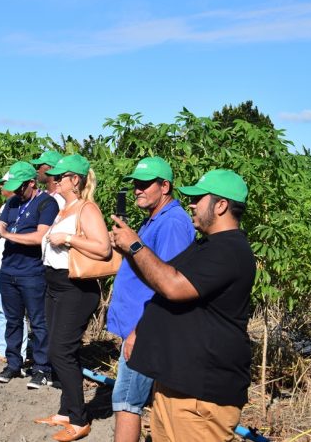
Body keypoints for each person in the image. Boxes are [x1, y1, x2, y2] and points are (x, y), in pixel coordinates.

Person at [111, 169, 255, 442]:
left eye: (199, 198)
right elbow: (161, 280)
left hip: (200, 394)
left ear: (221, 205)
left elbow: (173, 287)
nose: (191, 203)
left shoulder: (230, 250)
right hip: (176, 385)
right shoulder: (206, 246)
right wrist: (129, 253)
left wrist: (136, 246)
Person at [106, 157, 195, 442]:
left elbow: (169, 284)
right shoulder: (154, 219)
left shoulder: (172, 223)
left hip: (144, 327)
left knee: (126, 401)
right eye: (135, 185)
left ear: (165, 186)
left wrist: (138, 332)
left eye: (145, 184)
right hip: (138, 325)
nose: (137, 190)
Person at [34, 154, 112, 442]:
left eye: (60, 176)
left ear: (74, 180)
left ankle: (80, 420)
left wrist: (68, 239)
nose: (55, 179)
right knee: (59, 349)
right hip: (55, 285)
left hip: (75, 288)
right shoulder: (64, 208)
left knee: (61, 352)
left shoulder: (87, 209)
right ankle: (67, 410)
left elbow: (103, 248)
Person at [0, 161, 59, 387]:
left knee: (38, 322)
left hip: (32, 272)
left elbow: (40, 238)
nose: (17, 191)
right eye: (14, 187)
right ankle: (13, 364)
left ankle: (41, 368)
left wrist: (6, 234)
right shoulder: (12, 202)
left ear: (32, 183)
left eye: (20, 187)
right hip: (9, 269)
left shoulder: (46, 203)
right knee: (12, 320)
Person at [0, 172, 29, 363]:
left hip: (9, 263)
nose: (2, 186)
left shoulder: (22, 208)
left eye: (5, 183)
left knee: (15, 311)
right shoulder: (5, 207)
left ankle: (20, 353)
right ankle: (4, 350)